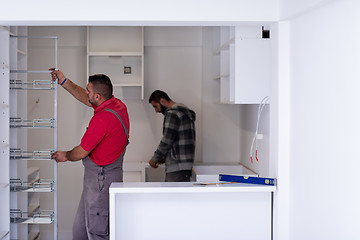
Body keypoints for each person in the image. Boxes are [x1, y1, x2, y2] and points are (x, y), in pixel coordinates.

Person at [50, 69, 129, 240]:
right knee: (80, 231)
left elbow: (80, 152)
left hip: (101, 180)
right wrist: (64, 81)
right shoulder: (117, 105)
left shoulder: (101, 119)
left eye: (89, 91)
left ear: (98, 97)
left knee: (97, 231)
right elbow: (84, 96)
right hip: (97, 178)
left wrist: (65, 155)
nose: (86, 94)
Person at [148, 90, 196, 182]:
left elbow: (166, 141)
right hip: (185, 166)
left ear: (162, 101)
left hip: (176, 167)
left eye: (155, 106)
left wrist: (154, 159)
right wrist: (165, 157)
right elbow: (176, 140)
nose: (156, 110)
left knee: (171, 196)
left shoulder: (172, 114)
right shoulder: (185, 113)